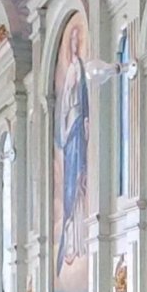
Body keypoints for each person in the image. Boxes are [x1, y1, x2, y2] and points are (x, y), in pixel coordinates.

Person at [55, 24, 89, 275]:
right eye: (73, 41)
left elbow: (83, 98)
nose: (75, 44)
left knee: (79, 184)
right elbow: (66, 103)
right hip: (71, 131)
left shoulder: (82, 68)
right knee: (71, 187)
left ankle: (79, 239)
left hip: (78, 127)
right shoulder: (70, 72)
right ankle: (71, 239)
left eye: (78, 39)